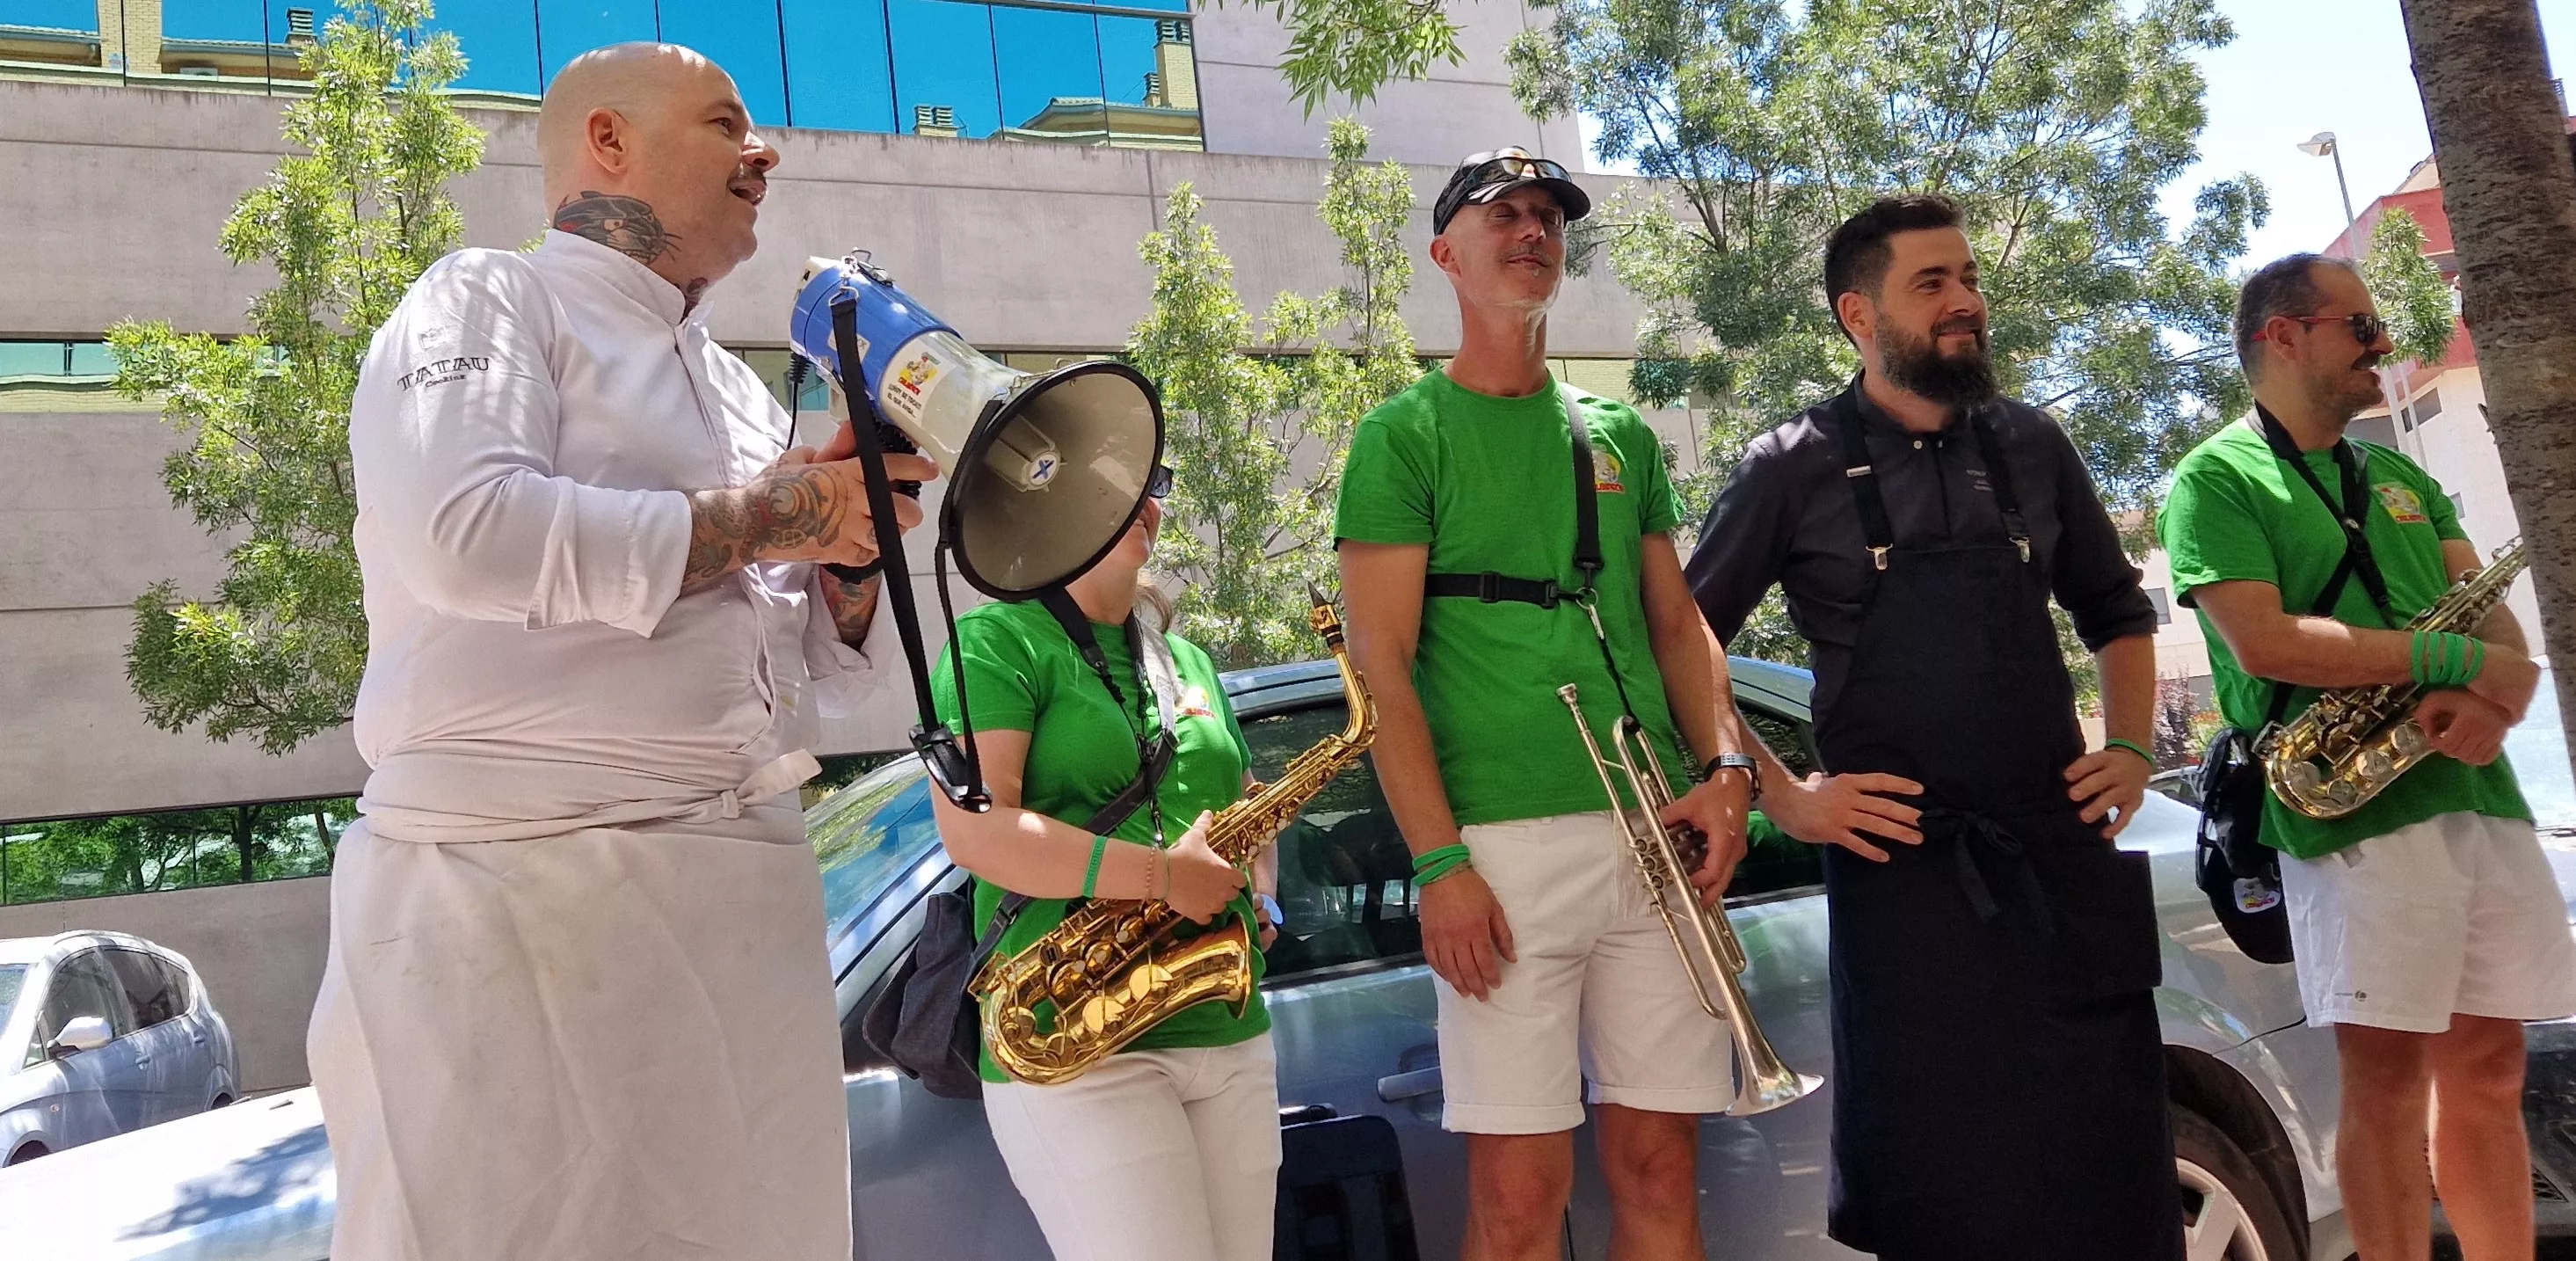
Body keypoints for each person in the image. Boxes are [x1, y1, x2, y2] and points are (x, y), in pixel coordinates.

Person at [308, 44, 937, 1261]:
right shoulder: (487, 297)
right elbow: (465, 533)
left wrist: (846, 557)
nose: (766, 151)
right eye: (725, 122)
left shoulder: (738, 389)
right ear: (608, 142)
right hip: (517, 904)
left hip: (738, 907)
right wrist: (776, 516)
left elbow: (797, 657)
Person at [1687, 193, 2182, 1260]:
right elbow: (1684, 646)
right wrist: (1785, 794)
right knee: (1945, 1206)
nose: (1968, 303)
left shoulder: (2032, 445)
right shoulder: (1789, 464)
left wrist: (2132, 749)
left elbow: (2116, 612)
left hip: (2061, 870)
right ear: (1856, 316)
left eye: (1967, 279)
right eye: (1933, 285)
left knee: (2110, 1196)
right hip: (1905, 889)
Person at [1335, 147, 1757, 1261]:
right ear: (1445, 254)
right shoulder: (1399, 435)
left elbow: (1677, 625)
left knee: (1662, 1169)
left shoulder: (1612, 432)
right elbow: (1378, 665)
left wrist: (1725, 770)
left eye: (1548, 218)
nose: (1531, 231)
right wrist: (1437, 864)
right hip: (1501, 853)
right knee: (1518, 1203)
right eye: (1502, 215)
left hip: (1652, 835)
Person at [2161, 253, 2576, 1261]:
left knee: (2484, 1064)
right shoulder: (2213, 478)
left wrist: (2485, 694)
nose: (2381, 344)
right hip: (2344, 805)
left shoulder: (2395, 476)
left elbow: (2501, 639)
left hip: (2473, 791)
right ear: (2281, 335)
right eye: (2357, 326)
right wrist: (2452, 661)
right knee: (2385, 1079)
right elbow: (2263, 641)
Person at [928, 475, 1285, 1261]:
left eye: (1148, 484)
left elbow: (1244, 802)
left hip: (1224, 1031)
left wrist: (1259, 889)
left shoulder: (1187, 660)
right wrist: (1165, 878)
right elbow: (979, 835)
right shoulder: (998, 642)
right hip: (1074, 1036)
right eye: (1104, 485)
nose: (1139, 503)